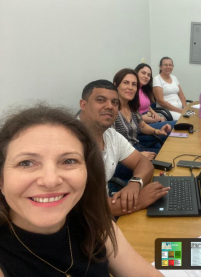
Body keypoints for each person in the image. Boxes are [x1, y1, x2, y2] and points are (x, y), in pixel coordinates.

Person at [0, 105, 162, 276]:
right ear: (1, 180)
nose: (50, 181)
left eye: (69, 161)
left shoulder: (96, 225)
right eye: (26, 163)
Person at [79, 80, 169, 216]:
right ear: (83, 105)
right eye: (100, 100)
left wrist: (135, 183)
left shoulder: (110, 135)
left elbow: (143, 162)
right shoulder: (71, 144)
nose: (109, 106)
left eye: (115, 102)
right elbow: (86, 208)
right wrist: (139, 200)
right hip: (85, 225)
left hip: (106, 210)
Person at [113, 68, 173, 161]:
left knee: (170, 155)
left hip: (138, 149)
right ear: (115, 85)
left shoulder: (132, 107)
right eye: (126, 83)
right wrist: (138, 156)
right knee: (166, 161)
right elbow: (111, 146)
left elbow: (142, 126)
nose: (130, 87)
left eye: (134, 84)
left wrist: (157, 131)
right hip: (124, 159)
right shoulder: (111, 111)